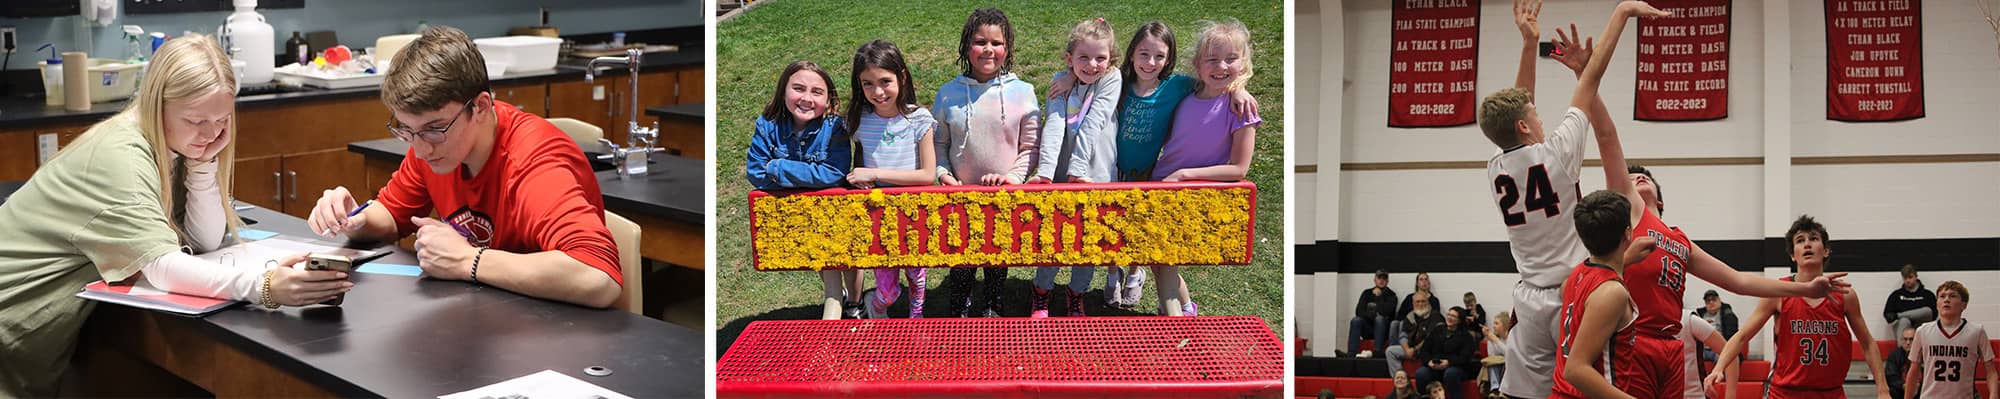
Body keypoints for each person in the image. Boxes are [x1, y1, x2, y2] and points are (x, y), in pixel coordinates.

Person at [0, 35, 352, 396]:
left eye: (221, 119)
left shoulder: (174, 143)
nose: (212, 132)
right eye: (196, 120)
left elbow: (204, 240)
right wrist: (264, 286)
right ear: (156, 104)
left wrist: (202, 165)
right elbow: (162, 266)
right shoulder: (119, 155)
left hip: (30, 347)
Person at [307, 26, 622, 310]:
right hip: (491, 312)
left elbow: (597, 277)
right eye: (406, 129)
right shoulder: (435, 146)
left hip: (556, 330)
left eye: (434, 129)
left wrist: (468, 260)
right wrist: (354, 220)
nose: (420, 148)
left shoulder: (534, 162)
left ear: (481, 108)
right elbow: (391, 215)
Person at [1477, 0, 1609, 396]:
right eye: (1534, 113)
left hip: (1530, 296)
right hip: (1575, 290)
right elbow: (1586, 89)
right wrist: (1591, 56)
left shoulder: (1496, 167)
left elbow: (1520, 102)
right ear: (1523, 124)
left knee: (1522, 393)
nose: (1540, 116)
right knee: (1586, 386)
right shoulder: (1557, 152)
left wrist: (1529, 43)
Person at [1704, 216, 1889, 399]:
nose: (1807, 244)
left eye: (1813, 239)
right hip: (1785, 393)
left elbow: (1867, 343)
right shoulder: (1778, 292)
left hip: (1830, 392)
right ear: (1793, 255)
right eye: (1800, 241)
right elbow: (1743, 336)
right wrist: (1719, 369)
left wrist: (1883, 390)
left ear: (1825, 251)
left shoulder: (1845, 295)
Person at [934, 7, 1040, 318]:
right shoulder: (948, 94)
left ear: (1007, 48)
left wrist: (1014, 178)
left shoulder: (1024, 93)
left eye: (997, 43)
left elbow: (1030, 146)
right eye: (981, 42)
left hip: (1003, 196)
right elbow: (939, 143)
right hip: (959, 196)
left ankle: (993, 306)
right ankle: (959, 307)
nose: (988, 50)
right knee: (961, 257)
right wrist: (943, 174)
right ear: (968, 46)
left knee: (997, 255)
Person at [737, 59, 855, 319]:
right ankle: (837, 300)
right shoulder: (767, 124)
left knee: (849, 259)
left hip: (836, 211)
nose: (806, 98)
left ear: (828, 98)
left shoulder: (835, 126)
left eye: (817, 92)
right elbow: (756, 171)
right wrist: (813, 179)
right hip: (802, 214)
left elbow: (835, 173)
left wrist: (778, 168)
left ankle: (851, 304)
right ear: (783, 91)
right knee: (822, 259)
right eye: (798, 88)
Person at [1026, 17, 1120, 318]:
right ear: (1069, 59)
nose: (1092, 65)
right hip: (1059, 175)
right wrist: (1045, 172)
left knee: (1089, 240)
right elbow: (1053, 125)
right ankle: (1041, 291)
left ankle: (1076, 293)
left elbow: (1094, 123)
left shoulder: (1111, 78)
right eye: (1084, 57)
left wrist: (1080, 171)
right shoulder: (1060, 81)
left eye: (1100, 58)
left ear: (1110, 59)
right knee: (1053, 236)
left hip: (1096, 176)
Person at [843, 40, 937, 319]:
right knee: (888, 291)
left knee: (917, 277)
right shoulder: (858, 120)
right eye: (867, 84)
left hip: (914, 214)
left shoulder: (920, 119)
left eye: (885, 81)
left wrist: (875, 174)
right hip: (878, 219)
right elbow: (854, 164)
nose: (878, 91)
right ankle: (876, 305)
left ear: (902, 77)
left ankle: (916, 322)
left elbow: (927, 175)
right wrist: (858, 178)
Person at [1550, 190, 1655, 399]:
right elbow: (1575, 370)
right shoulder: (1612, 292)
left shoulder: (1576, 275)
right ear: (1628, 233)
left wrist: (1623, 259)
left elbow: (1581, 288)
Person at [1903, 281, 1997, 399]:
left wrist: (1994, 395)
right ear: (1937, 304)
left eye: (1952, 296)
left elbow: (1991, 371)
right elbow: (1914, 371)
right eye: (1942, 296)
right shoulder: (1923, 331)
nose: (1946, 299)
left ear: (1964, 305)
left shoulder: (1977, 331)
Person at [1416, 307, 1479, 399]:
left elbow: (1465, 358)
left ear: (1459, 320)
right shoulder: (1437, 330)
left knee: (1450, 374)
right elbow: (1424, 350)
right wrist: (1429, 362)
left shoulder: (1466, 336)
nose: (1449, 317)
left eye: (1453, 316)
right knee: (1421, 373)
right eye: (1448, 315)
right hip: (1434, 366)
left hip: (1456, 367)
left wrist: (1448, 362)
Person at [1677, 313, 1736, 399]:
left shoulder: (1690, 320)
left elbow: (1732, 354)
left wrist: (1730, 396)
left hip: (1693, 394)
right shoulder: (1650, 326)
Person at [1387, 289, 1445, 376]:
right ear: (1413, 304)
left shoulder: (1436, 316)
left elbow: (1429, 339)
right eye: (1417, 302)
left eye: (1423, 301)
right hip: (1411, 349)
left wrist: (1414, 350)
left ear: (1428, 302)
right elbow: (1403, 334)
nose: (1420, 304)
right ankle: (1399, 378)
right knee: (1390, 351)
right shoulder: (1410, 316)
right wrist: (1407, 349)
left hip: (1428, 351)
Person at [1352, 270, 1400, 358]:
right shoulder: (1366, 293)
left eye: (1384, 279)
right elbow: (1359, 311)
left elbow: (1386, 312)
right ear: (1375, 280)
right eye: (1379, 278)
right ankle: (1351, 354)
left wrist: (1379, 297)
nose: (1381, 280)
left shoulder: (1392, 296)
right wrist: (1371, 316)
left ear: (1387, 281)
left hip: (1383, 330)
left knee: (1380, 319)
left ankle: (1376, 352)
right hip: (1368, 328)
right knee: (1356, 320)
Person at [1883, 264, 1937, 335]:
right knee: (1904, 321)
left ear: (1916, 276)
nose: (1908, 280)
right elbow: (1888, 316)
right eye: (1905, 278)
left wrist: (1898, 315)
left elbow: (1933, 314)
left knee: (1927, 310)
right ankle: (1903, 346)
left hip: (1922, 326)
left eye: (1910, 277)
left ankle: (1899, 315)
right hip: (1904, 327)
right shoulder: (1896, 295)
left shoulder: (1927, 294)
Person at [1690, 289, 1738, 362]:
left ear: (1719, 300)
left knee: (1722, 359)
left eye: (1714, 299)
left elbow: (1731, 335)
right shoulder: (1700, 315)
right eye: (1708, 301)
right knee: (1691, 357)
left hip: (1719, 348)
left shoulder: (1727, 315)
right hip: (1703, 349)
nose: (1711, 302)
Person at [1481, 311, 1513, 395]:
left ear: (1505, 325)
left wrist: (1496, 340)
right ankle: (1495, 389)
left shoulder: (1511, 337)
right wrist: (1491, 339)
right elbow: (1491, 356)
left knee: (1506, 364)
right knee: (1492, 363)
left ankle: (1503, 390)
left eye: (1496, 323)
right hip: (1497, 365)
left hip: (1509, 363)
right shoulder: (1492, 338)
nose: (1493, 326)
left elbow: (1509, 353)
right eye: (1493, 323)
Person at [1885, 326, 1917, 399]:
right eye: (1905, 339)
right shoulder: (1894, 355)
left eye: (1911, 339)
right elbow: (1891, 376)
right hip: (1900, 389)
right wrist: (1903, 385)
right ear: (1901, 340)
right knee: (1892, 390)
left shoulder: (1924, 354)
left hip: (1919, 389)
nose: (1908, 342)